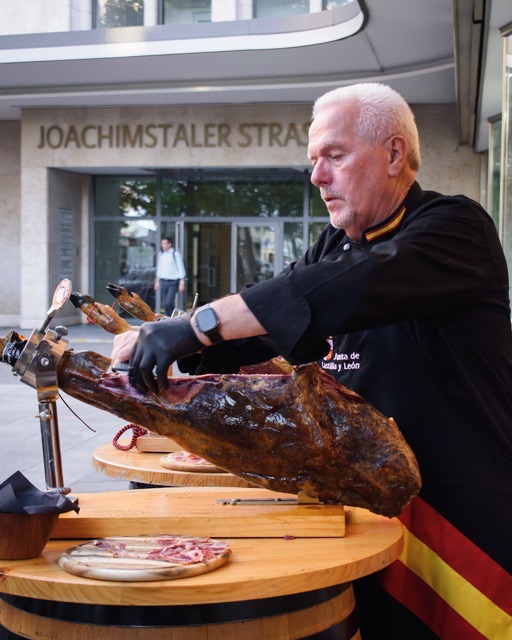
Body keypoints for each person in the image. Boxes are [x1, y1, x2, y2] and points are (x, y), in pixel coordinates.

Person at [111, 83, 512, 639]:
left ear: (395, 154)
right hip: (367, 508)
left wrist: (197, 325)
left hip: (455, 520)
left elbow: (340, 290)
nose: (317, 177)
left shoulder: (455, 228)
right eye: (313, 161)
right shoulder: (334, 244)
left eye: (335, 156)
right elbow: (273, 318)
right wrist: (169, 347)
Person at [154, 237, 186, 316]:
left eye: (164, 243)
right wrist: (157, 282)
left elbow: (181, 267)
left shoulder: (175, 254)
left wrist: (182, 282)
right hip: (163, 281)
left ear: (169, 244)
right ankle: (168, 318)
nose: (162, 245)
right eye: (162, 244)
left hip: (173, 282)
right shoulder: (161, 254)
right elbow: (159, 268)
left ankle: (172, 317)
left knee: (169, 302)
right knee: (165, 303)